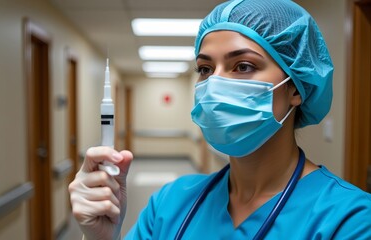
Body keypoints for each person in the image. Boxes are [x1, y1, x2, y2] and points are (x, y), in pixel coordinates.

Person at [69, 0, 371, 239]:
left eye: (242, 66)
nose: (214, 84)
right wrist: (100, 238)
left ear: (295, 88)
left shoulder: (350, 220)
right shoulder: (172, 202)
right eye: (204, 69)